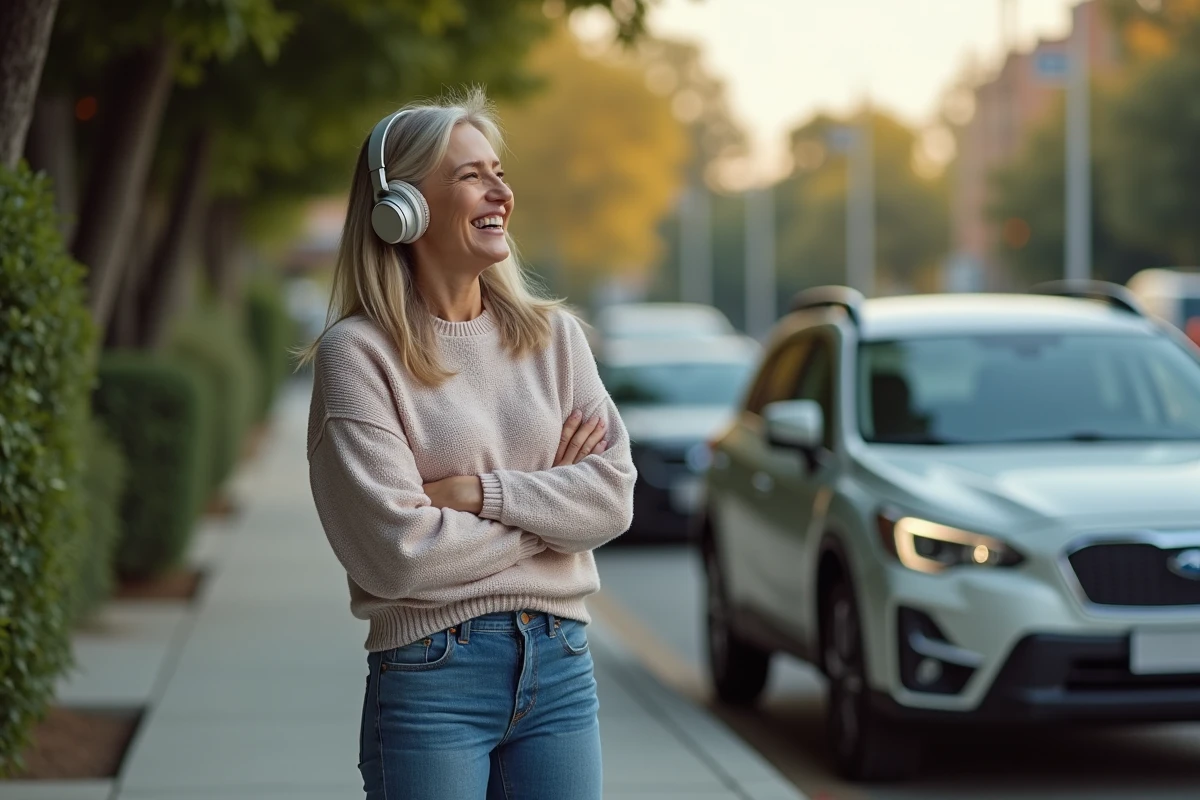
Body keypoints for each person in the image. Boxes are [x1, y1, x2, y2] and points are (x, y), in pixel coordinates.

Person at [299, 87, 636, 800]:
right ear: (404, 210)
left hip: (561, 664)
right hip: (432, 676)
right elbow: (400, 556)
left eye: (499, 173)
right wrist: (552, 519)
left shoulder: (556, 339)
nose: (499, 192)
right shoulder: (357, 356)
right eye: (471, 175)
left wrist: (481, 494)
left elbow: (611, 500)